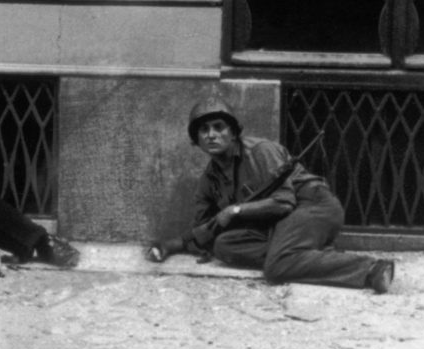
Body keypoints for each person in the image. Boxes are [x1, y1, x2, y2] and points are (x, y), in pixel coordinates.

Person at [147, 99, 395, 294]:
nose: (211, 135)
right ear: (196, 140)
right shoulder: (209, 181)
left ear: (233, 133)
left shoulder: (260, 152)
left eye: (218, 127)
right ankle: (312, 255)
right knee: (224, 245)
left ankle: (371, 270)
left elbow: (285, 201)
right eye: (203, 130)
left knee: (276, 269)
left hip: (311, 205)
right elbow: (204, 229)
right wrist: (170, 245)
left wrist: (235, 211)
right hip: (275, 227)